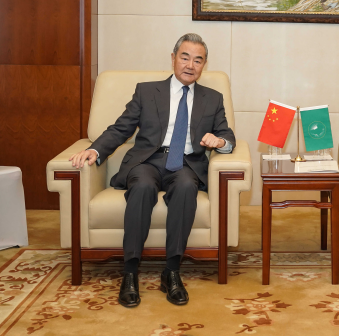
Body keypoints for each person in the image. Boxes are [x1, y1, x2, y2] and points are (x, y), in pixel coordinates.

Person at [69, 34, 235, 308]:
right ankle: (130, 273)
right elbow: (121, 128)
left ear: (204, 65)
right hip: (148, 160)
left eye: (198, 60)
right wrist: (95, 150)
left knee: (186, 187)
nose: (190, 65)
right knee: (143, 187)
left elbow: (227, 135)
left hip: (185, 163)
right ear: (173, 58)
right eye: (184, 57)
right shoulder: (147, 92)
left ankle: (172, 271)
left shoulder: (212, 98)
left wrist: (220, 142)